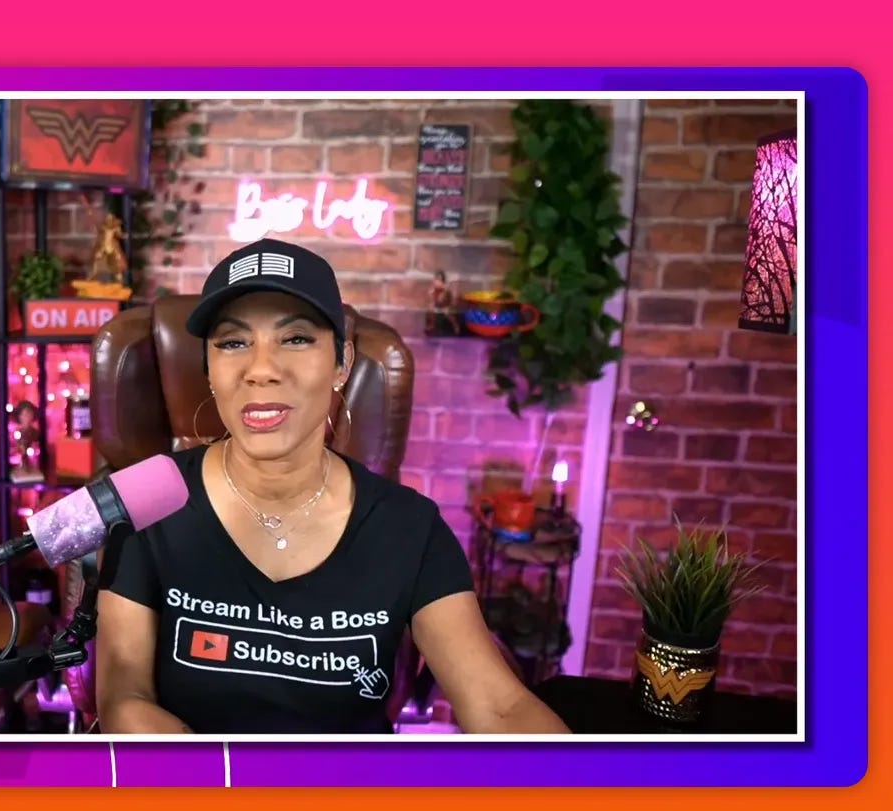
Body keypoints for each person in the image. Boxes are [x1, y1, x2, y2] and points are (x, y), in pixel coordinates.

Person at [95, 238, 570, 735]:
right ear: (208, 370)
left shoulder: (408, 528)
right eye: (233, 342)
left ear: (342, 363)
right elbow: (123, 695)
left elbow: (498, 706)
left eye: (296, 338)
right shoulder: (147, 503)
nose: (261, 370)